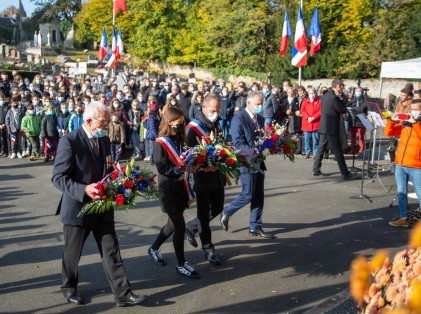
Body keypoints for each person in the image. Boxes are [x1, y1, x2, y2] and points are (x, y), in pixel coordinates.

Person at [51, 101, 146, 307]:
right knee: (72, 252)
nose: (107, 127)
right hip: (78, 207)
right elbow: (58, 177)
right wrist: (83, 189)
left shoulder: (103, 140)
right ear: (88, 121)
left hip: (103, 205)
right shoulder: (70, 141)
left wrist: (119, 179)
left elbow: (107, 167)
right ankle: (69, 288)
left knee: (111, 249)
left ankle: (123, 293)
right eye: (103, 123)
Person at [149, 107, 200, 279]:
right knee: (179, 226)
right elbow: (162, 167)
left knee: (171, 223)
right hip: (168, 189)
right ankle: (181, 264)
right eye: (179, 122)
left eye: (183, 122)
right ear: (170, 121)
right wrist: (181, 169)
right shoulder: (160, 143)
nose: (182, 125)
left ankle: (153, 248)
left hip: (180, 187)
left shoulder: (179, 138)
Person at [220, 92, 275, 239]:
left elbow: (264, 139)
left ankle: (255, 227)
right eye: (257, 104)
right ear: (248, 103)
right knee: (248, 194)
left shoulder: (260, 119)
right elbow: (238, 144)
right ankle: (227, 211)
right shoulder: (239, 118)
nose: (260, 106)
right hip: (246, 162)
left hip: (259, 162)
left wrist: (273, 144)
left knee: (258, 196)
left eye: (261, 104)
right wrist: (255, 152)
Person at [184, 94, 225, 265]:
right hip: (201, 177)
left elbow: (221, 146)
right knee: (203, 213)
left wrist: (221, 161)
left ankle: (190, 227)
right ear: (204, 108)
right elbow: (187, 156)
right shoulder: (193, 129)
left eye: (219, 110)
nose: (217, 113)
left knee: (217, 208)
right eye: (214, 110)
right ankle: (208, 248)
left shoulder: (216, 123)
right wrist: (202, 166)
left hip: (217, 175)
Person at [385, 99, 421, 227]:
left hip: (416, 165)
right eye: (412, 109)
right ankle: (403, 217)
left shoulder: (417, 124)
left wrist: (415, 123)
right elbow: (388, 132)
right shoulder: (406, 123)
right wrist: (392, 121)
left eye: (416, 109)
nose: (413, 112)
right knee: (401, 192)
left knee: (420, 193)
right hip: (400, 163)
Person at [312, 79, 357, 180]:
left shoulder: (325, 95)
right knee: (337, 151)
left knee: (321, 148)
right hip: (331, 127)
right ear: (337, 86)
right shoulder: (334, 97)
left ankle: (315, 169)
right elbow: (342, 109)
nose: (343, 88)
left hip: (324, 126)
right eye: (342, 86)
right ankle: (345, 173)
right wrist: (342, 98)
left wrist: (340, 98)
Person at [347, 87, 368, 156]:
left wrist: (354, 109)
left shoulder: (364, 100)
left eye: (359, 91)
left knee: (360, 136)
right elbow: (347, 106)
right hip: (353, 120)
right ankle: (352, 149)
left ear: (362, 92)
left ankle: (361, 149)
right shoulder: (352, 100)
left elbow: (362, 109)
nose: (357, 93)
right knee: (352, 136)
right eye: (356, 91)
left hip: (361, 121)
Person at [301, 87, 321, 159]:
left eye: (312, 93)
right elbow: (302, 111)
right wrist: (308, 117)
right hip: (307, 123)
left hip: (315, 124)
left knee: (315, 140)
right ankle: (307, 152)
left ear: (315, 93)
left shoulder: (319, 101)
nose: (311, 95)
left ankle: (315, 153)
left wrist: (313, 117)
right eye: (310, 93)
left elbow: (320, 111)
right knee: (307, 140)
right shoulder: (305, 101)